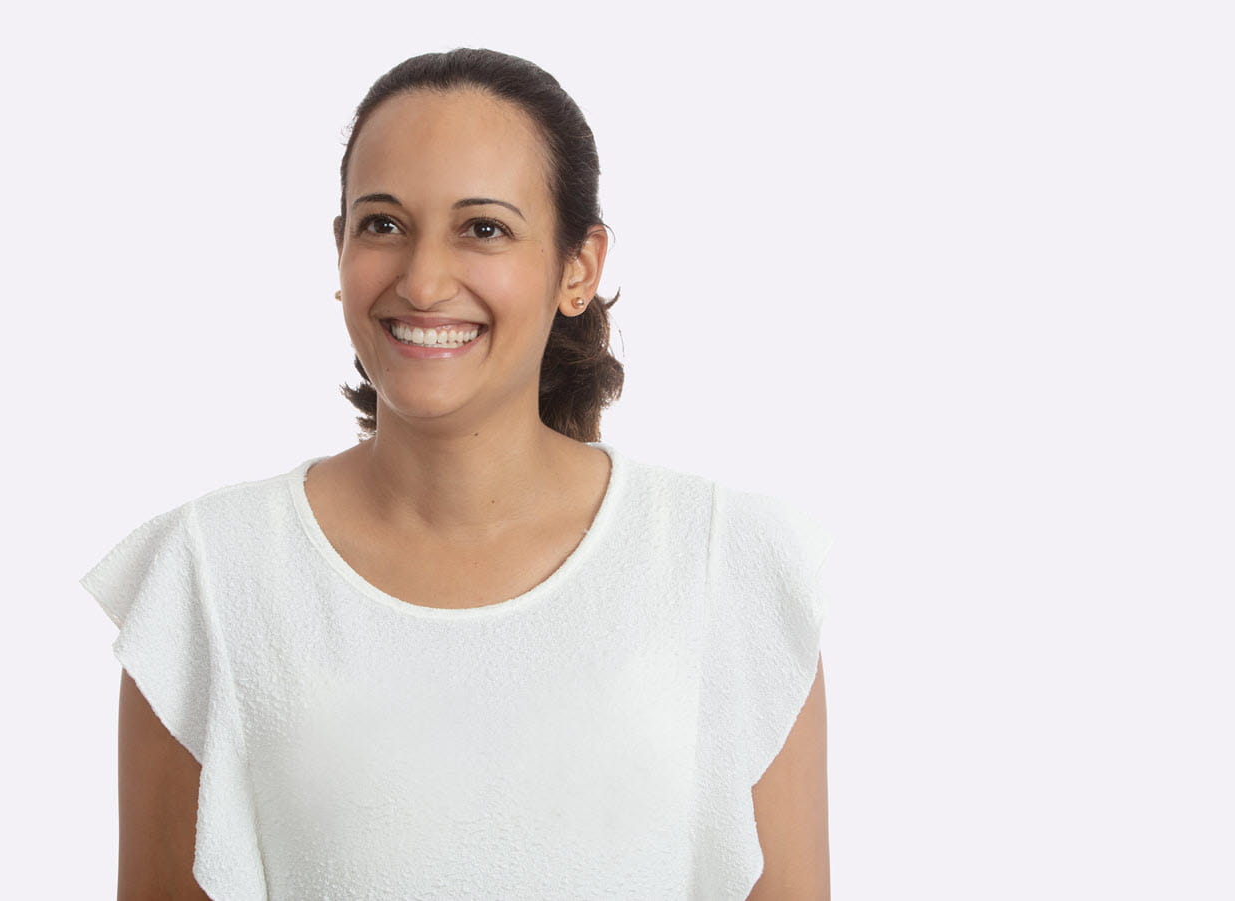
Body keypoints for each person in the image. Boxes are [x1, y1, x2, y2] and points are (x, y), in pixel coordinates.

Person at [82, 47, 834, 900]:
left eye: (484, 228)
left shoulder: (726, 564)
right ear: (339, 252)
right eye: (382, 224)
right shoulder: (209, 578)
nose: (424, 279)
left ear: (578, 266)